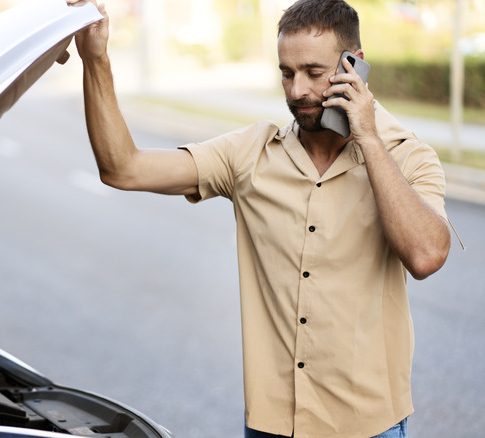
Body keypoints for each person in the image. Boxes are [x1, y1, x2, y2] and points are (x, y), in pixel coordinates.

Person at [66, 0, 452, 437]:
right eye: (286, 73)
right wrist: (95, 60)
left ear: (355, 66)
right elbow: (124, 168)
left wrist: (369, 140)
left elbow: (425, 256)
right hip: (271, 425)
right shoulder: (251, 153)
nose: (296, 91)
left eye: (313, 71)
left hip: (369, 428)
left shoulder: (408, 156)